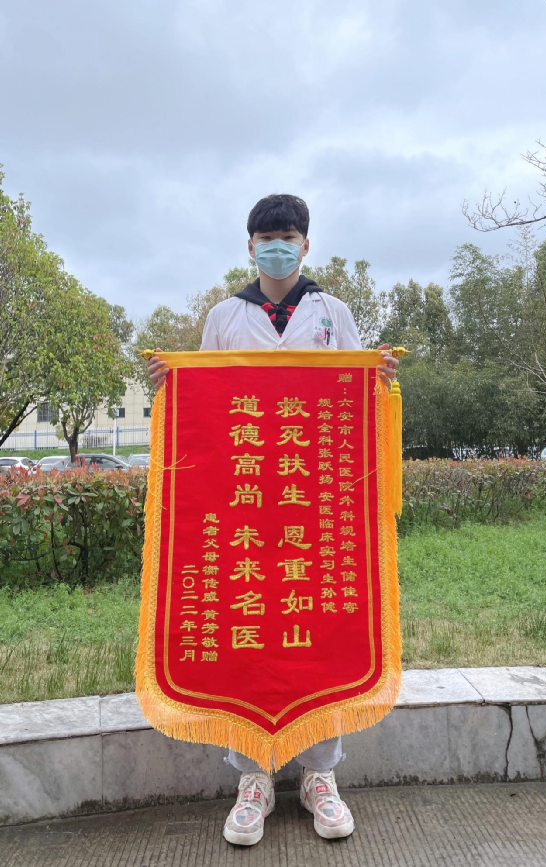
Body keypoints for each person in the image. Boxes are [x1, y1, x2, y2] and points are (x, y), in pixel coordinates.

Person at [147, 194, 399, 846]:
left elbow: (354, 407)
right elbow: (206, 411)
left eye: (288, 236)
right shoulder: (224, 317)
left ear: (305, 245)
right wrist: (171, 385)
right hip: (245, 508)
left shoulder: (332, 313)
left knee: (322, 630)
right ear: (250, 245)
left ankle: (321, 776)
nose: (277, 247)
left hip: (316, 506)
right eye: (266, 238)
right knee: (247, 630)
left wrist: (379, 379)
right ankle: (252, 778)